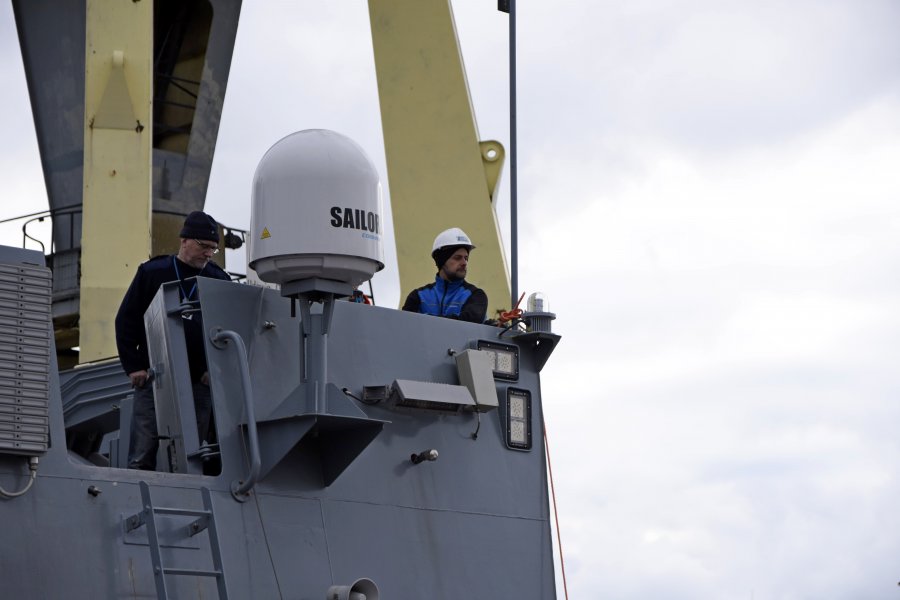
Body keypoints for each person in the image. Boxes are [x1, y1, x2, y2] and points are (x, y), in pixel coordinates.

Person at [115, 211, 231, 470]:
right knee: (143, 447)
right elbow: (126, 321)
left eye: (213, 248)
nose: (209, 254)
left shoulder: (219, 280)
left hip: (200, 380)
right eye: (204, 246)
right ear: (184, 241)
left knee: (197, 448)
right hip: (154, 377)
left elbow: (229, 329)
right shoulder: (152, 272)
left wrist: (213, 370)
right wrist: (134, 366)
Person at [401, 227, 488, 323]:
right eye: (457, 258)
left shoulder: (476, 295)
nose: (464, 263)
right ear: (442, 260)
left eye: (466, 258)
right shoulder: (417, 296)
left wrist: (423, 319)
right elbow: (403, 326)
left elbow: (468, 324)